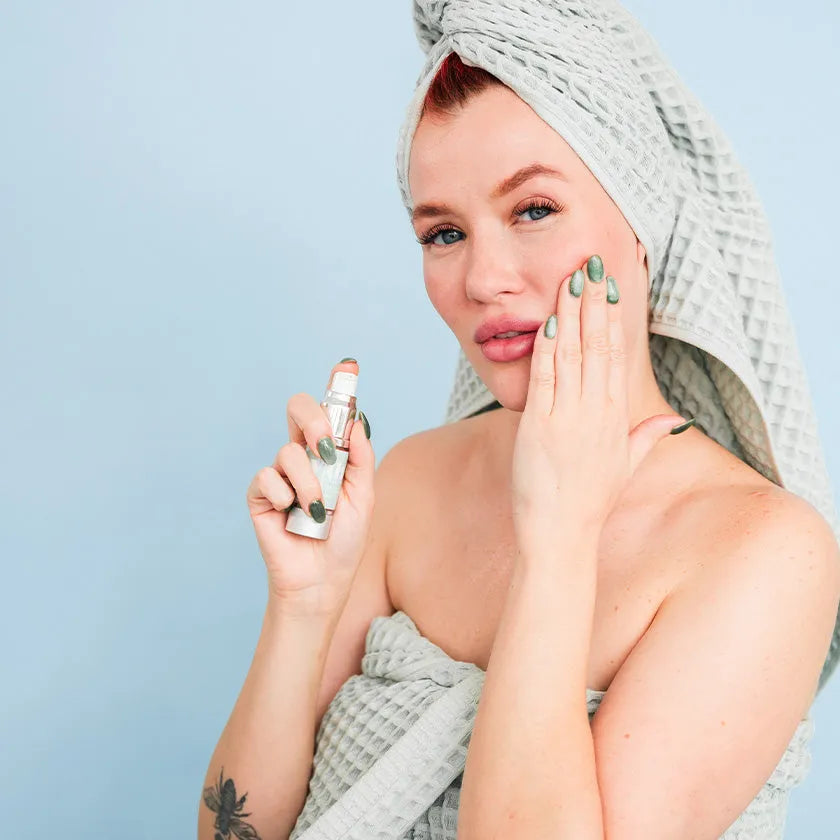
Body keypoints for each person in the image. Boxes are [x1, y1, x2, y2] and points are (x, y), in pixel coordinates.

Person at [198, 2, 840, 839]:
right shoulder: (413, 481)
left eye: (534, 210)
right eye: (444, 233)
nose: (483, 279)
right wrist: (303, 605)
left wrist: (561, 536)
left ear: (643, 226)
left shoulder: (765, 550)